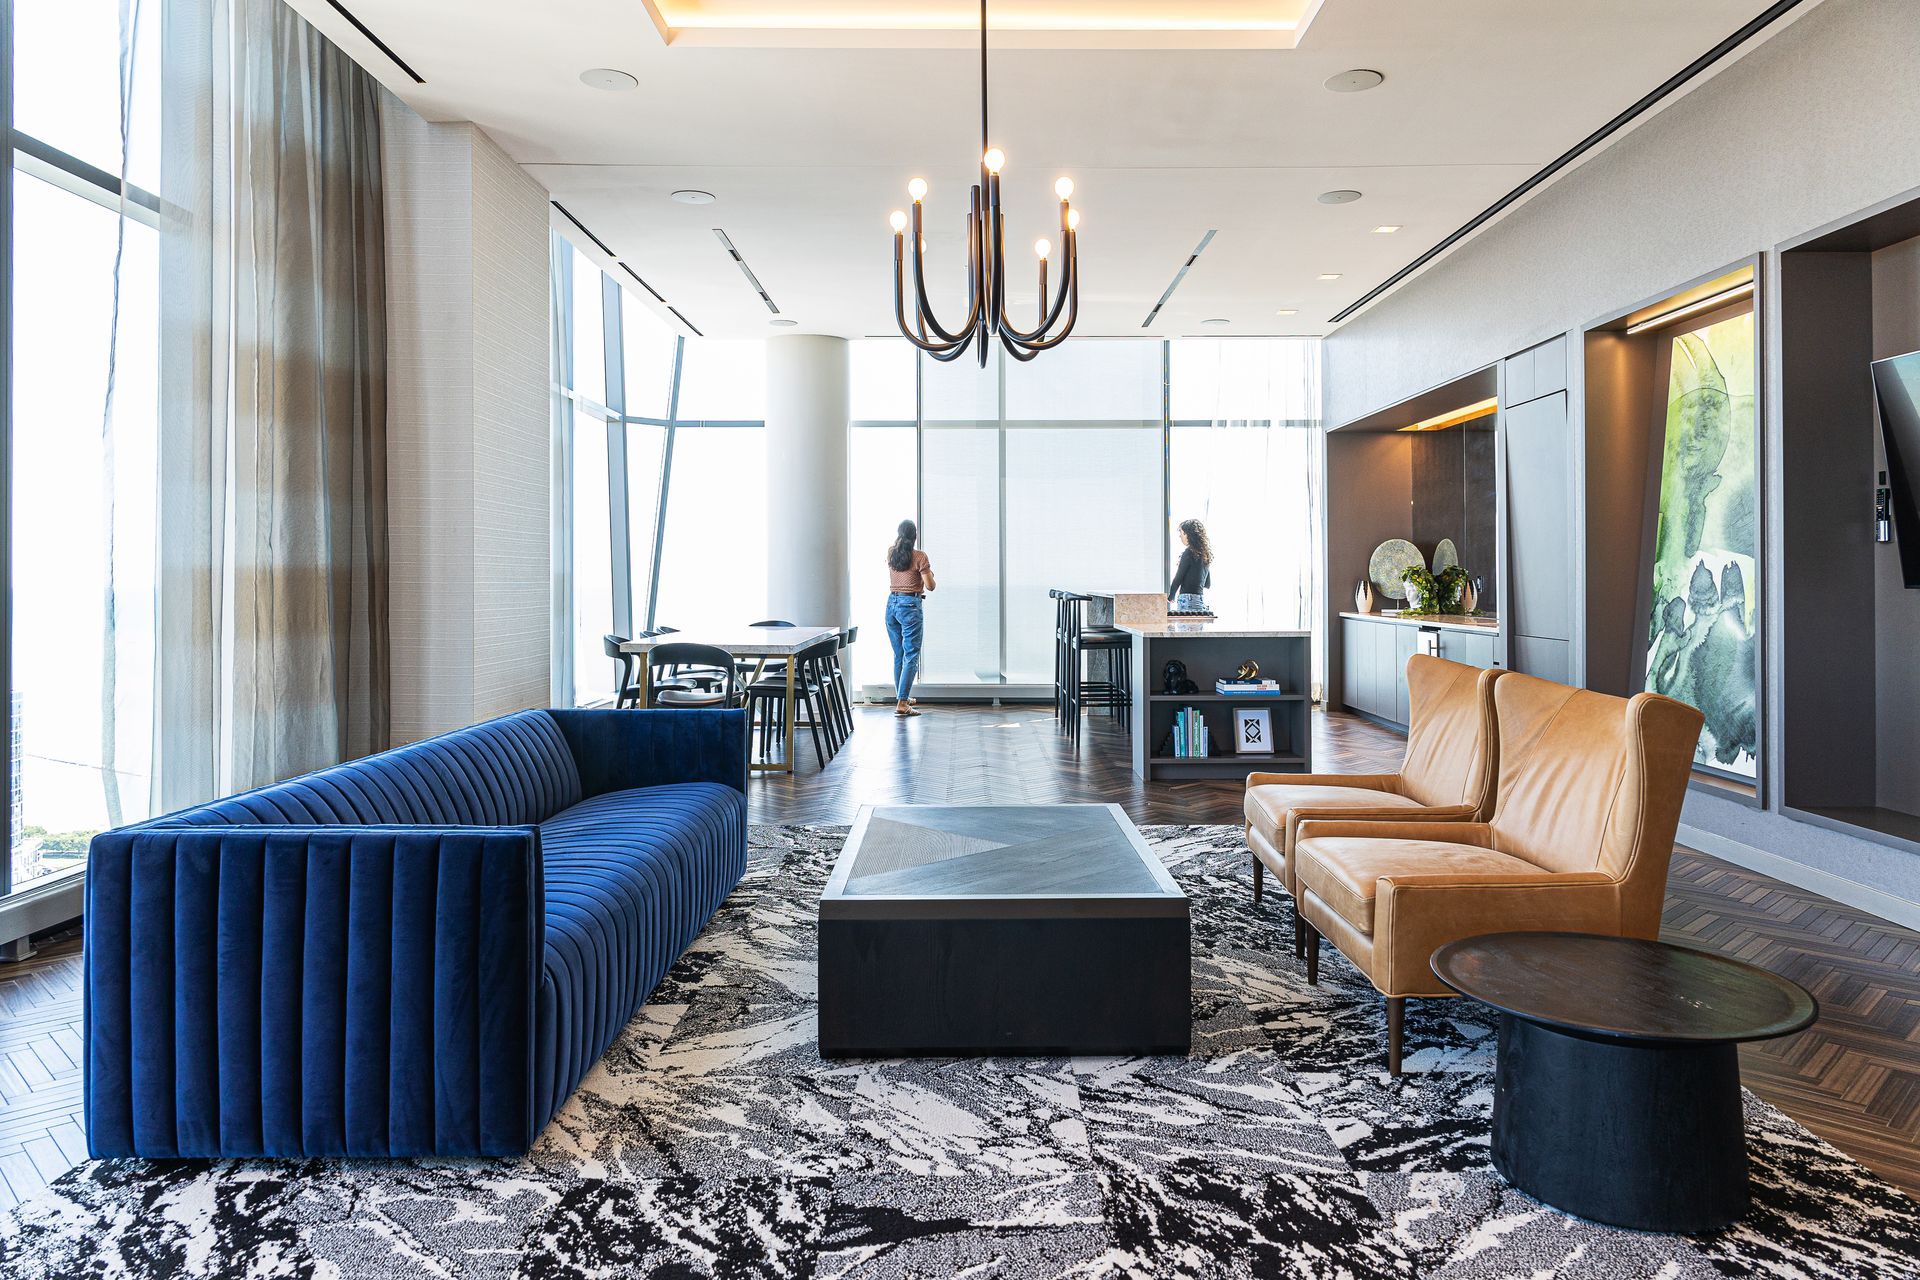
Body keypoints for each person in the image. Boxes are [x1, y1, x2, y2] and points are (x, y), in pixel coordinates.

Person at [885, 519, 935, 717]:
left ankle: (902, 696)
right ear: (915, 536)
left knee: (899, 655)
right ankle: (902, 703)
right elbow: (930, 586)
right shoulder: (920, 556)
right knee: (911, 655)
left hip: (891, 605)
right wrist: (929, 572)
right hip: (909, 606)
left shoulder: (891, 553)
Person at [1168, 518, 1212, 613]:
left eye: (1182, 533)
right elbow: (1207, 584)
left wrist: (1171, 595)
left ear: (1188, 535)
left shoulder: (1188, 553)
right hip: (1199, 601)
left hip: (1187, 600)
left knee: (1184, 627)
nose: (1180, 536)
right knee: (1197, 627)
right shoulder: (1205, 555)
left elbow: (1178, 578)